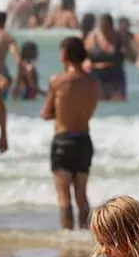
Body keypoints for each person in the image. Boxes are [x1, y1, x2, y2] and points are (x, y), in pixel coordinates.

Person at [42, 37, 99, 229]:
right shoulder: (92, 84)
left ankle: (68, 240)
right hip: (84, 140)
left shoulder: (58, 81)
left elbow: (46, 113)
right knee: (81, 195)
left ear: (65, 54)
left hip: (63, 140)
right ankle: (88, 238)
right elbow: (88, 112)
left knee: (63, 195)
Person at [86, 14, 128, 101]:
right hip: (98, 75)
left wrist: (125, 51)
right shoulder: (93, 36)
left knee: (119, 101)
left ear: (110, 26)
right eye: (101, 26)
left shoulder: (118, 36)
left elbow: (130, 56)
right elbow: (85, 57)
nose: (103, 29)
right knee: (101, 102)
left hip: (116, 75)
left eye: (105, 26)